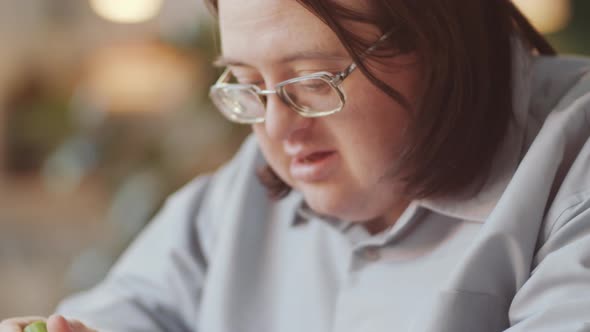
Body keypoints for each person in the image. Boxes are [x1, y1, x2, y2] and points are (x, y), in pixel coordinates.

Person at [2, 0, 590, 331]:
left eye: (313, 80)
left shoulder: (573, 166)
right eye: (247, 82)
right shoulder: (238, 197)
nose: (277, 130)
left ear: (443, 44)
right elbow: (122, 315)